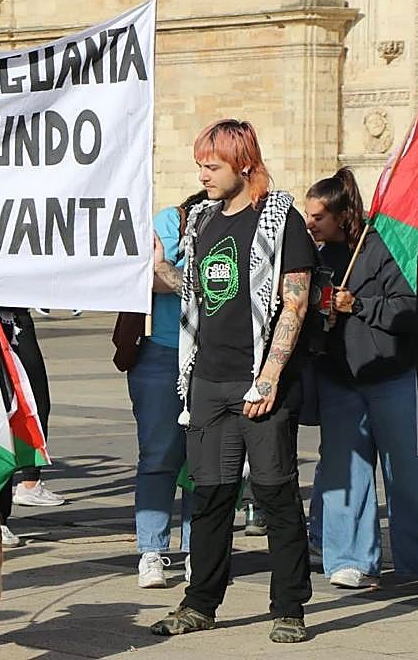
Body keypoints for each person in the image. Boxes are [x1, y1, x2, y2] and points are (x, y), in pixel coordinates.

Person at [150, 120, 316, 644]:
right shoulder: (201, 219)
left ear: (243, 163)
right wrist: (160, 272)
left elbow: (295, 300)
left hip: (258, 382)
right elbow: (197, 289)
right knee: (211, 497)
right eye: (200, 164)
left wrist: (268, 379)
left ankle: (288, 606)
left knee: (274, 494)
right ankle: (201, 603)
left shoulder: (278, 217)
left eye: (212, 165)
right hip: (207, 381)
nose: (202, 175)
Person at [305, 168, 418, 593]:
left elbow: (411, 309)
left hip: (391, 375)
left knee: (411, 472)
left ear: (342, 214)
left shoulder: (385, 249)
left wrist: (360, 305)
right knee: (345, 471)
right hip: (340, 379)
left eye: (318, 216)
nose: (310, 223)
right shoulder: (316, 255)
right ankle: (350, 558)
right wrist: (323, 317)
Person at [133, 191, 205, 588]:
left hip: (210, 354)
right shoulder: (169, 221)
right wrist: (179, 277)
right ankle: (151, 550)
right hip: (161, 351)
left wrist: (172, 272)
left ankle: (200, 550)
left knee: (203, 458)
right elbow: (148, 275)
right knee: (159, 453)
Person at [8, 308, 65, 508]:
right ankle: (29, 483)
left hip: (1, 315)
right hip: (10, 317)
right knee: (35, 400)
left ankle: (29, 481)